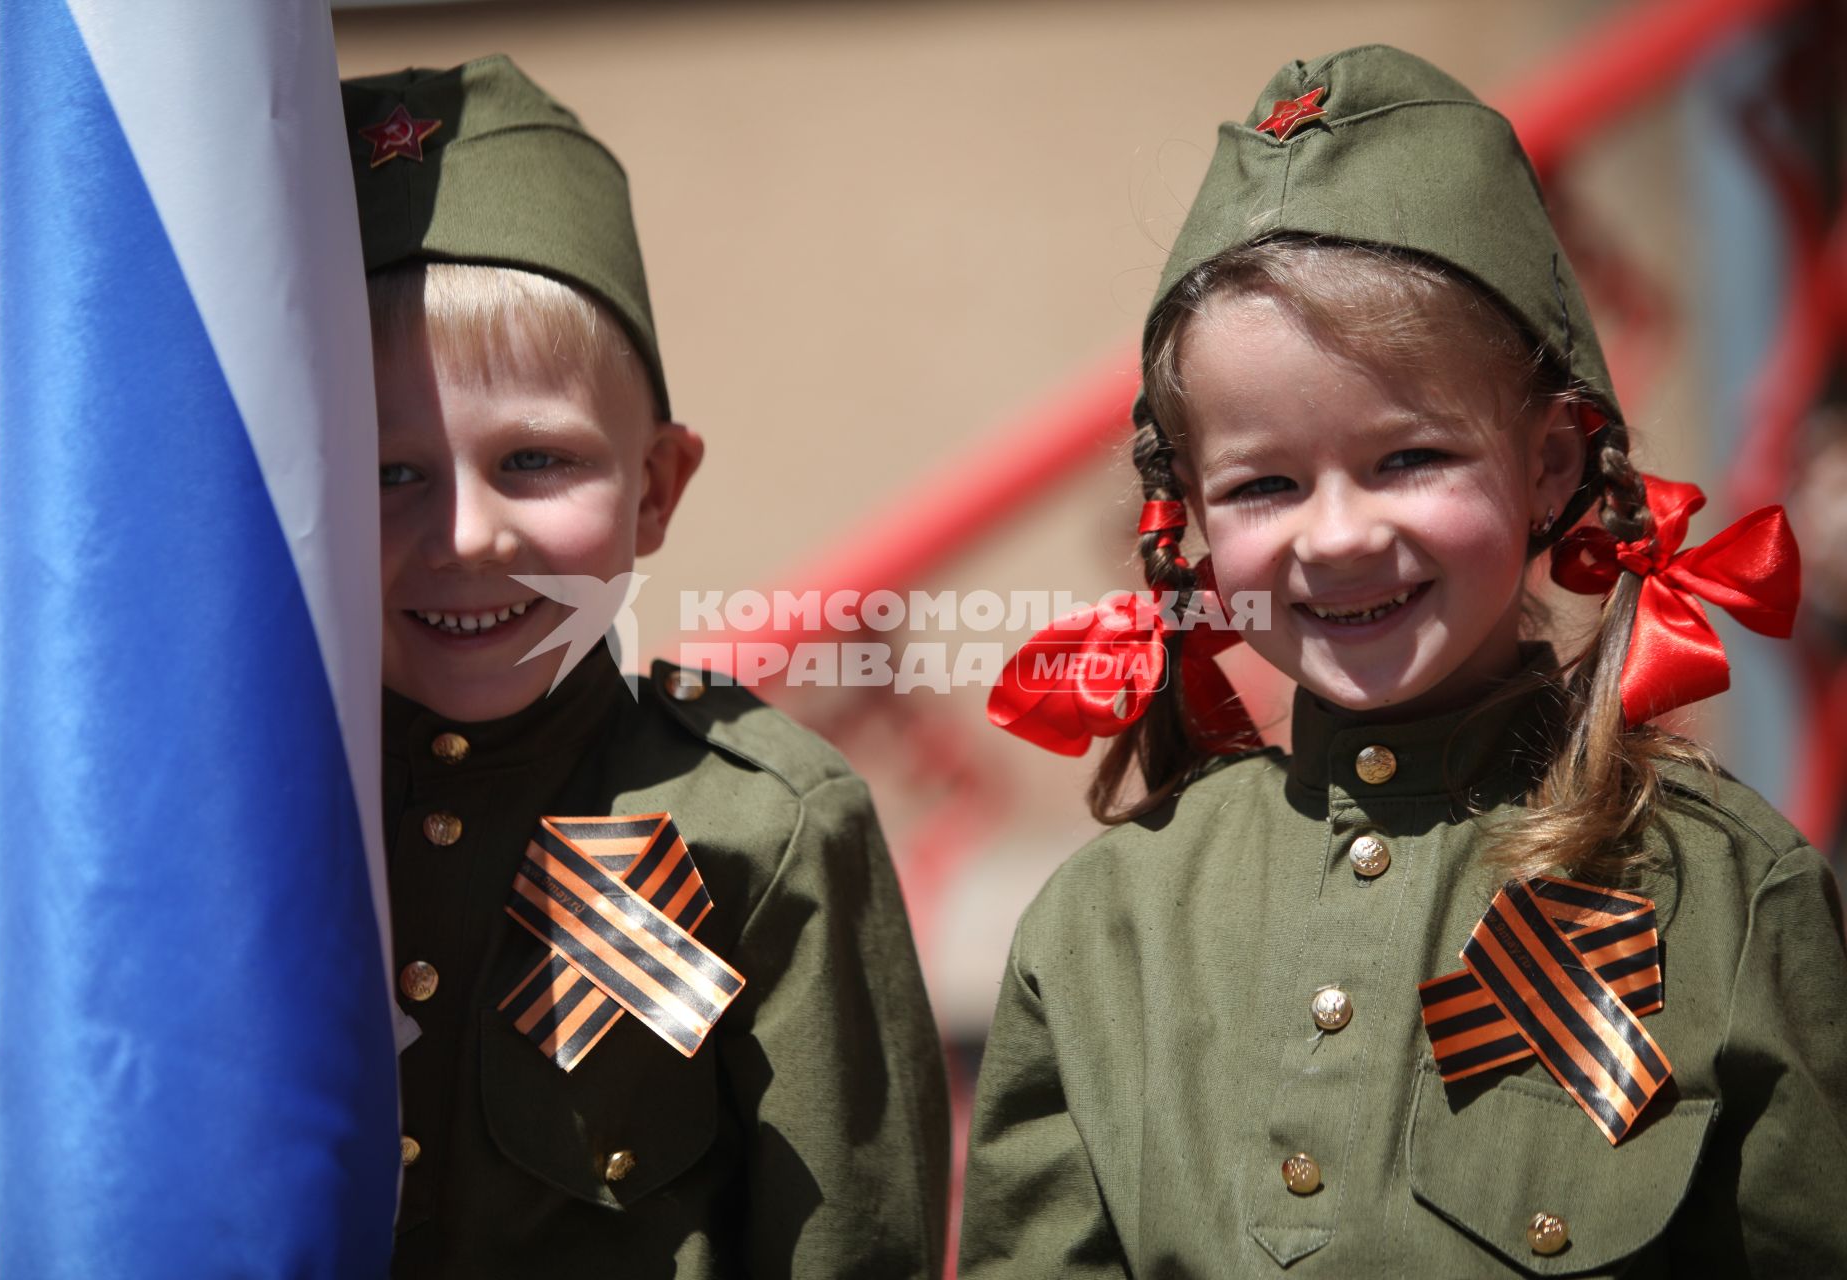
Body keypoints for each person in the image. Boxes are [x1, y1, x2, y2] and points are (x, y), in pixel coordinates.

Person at [960, 45, 1844, 1276]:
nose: (1338, 534)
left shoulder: (1727, 896)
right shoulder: (1105, 928)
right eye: (1265, 483)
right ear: (1191, 521)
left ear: (1548, 462)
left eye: (1410, 457)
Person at [345, 56, 948, 1276]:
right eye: (384, 470)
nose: (466, 535)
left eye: (533, 461)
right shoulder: (235, 811)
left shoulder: (760, 826)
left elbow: (847, 1242)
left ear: (657, 486)